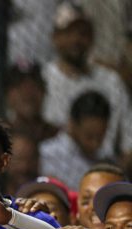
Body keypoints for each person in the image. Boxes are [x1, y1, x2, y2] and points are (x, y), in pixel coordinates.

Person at [41, 1, 132, 169]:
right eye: (69, 33)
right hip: (53, 167)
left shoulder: (110, 80)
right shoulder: (43, 79)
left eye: (83, 33)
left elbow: (129, 141)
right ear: (55, 37)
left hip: (103, 166)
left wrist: (112, 175)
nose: (76, 40)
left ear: (91, 38)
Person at [40, 90, 113, 189]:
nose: (95, 144)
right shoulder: (49, 154)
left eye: (100, 137)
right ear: (72, 125)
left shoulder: (106, 159)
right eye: (89, 136)